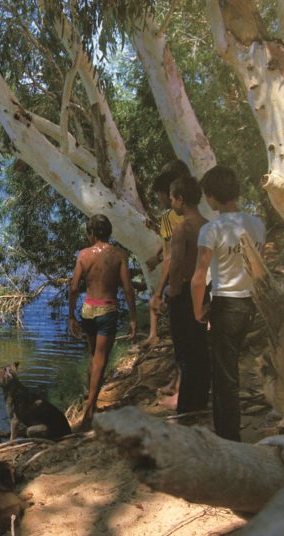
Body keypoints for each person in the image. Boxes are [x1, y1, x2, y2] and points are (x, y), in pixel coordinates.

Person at [192, 165, 265, 442]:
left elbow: (199, 278)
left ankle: (228, 437)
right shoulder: (257, 225)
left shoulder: (212, 230)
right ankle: (228, 431)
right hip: (249, 305)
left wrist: (197, 309)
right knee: (230, 369)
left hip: (226, 305)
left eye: (206, 196)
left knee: (224, 377)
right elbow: (259, 268)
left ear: (212, 196)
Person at [68, 214, 137, 430]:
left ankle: (90, 399)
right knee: (100, 359)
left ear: (92, 233)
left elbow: (73, 288)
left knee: (93, 356)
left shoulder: (84, 255)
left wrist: (71, 316)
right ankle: (90, 410)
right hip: (107, 309)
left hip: (87, 310)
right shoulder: (119, 254)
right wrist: (133, 317)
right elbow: (127, 288)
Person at [165, 175, 210, 416]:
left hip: (184, 293)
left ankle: (187, 405)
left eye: (172, 199)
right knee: (201, 347)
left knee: (184, 349)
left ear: (180, 199)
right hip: (205, 292)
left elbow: (176, 265)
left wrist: (172, 292)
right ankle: (201, 399)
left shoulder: (182, 229)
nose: (171, 203)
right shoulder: (208, 225)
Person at [144, 161, 188, 350]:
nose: (159, 199)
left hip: (179, 280)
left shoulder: (168, 218)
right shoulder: (191, 213)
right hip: (197, 279)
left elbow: (171, 253)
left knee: (180, 335)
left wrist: (161, 292)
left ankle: (180, 378)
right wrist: (157, 256)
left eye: (159, 195)